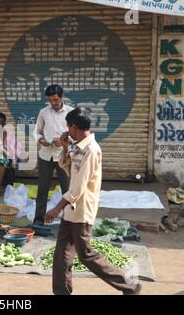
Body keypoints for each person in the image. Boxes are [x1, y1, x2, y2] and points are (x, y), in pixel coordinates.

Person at [45, 108, 142, 295]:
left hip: (82, 210)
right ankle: (61, 292)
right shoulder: (78, 147)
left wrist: (57, 208)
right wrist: (65, 147)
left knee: (86, 255)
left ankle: (129, 285)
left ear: (74, 127)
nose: (68, 131)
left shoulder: (92, 150)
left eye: (68, 127)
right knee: (61, 256)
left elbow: (79, 185)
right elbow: (68, 169)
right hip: (71, 211)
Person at [34, 84, 73, 225]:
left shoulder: (71, 112)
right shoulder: (44, 112)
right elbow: (37, 131)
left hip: (64, 155)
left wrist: (64, 141)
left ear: (61, 97)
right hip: (45, 155)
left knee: (67, 189)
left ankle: (69, 220)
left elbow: (76, 135)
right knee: (42, 189)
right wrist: (41, 139)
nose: (53, 103)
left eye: (55, 100)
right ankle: (38, 220)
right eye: (50, 100)